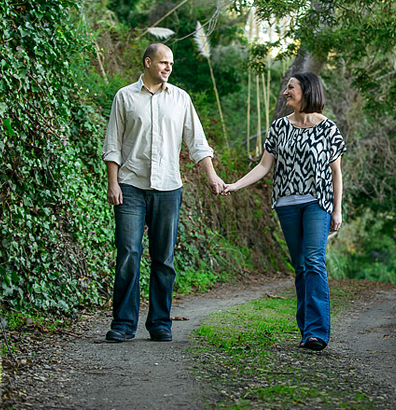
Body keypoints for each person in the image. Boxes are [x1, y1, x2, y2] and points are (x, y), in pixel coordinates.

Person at [102, 43, 225, 343]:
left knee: (164, 258)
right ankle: (123, 323)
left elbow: (197, 142)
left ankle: (159, 322)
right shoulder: (125, 97)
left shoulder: (181, 99)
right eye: (162, 62)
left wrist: (211, 175)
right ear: (147, 62)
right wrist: (113, 182)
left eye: (171, 63)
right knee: (129, 254)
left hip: (169, 188)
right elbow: (113, 144)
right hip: (130, 186)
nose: (168, 67)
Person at [223, 72, 346, 351]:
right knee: (301, 266)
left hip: (317, 202)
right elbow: (264, 167)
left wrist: (337, 210)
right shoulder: (279, 127)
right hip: (286, 204)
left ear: (306, 90)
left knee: (313, 260)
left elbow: (336, 172)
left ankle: (317, 332)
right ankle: (307, 330)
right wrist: (235, 185)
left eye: (290, 88)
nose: (285, 93)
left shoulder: (329, 129)